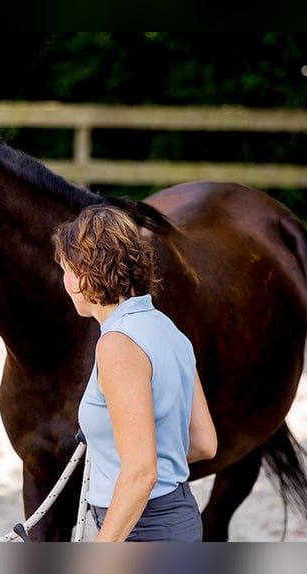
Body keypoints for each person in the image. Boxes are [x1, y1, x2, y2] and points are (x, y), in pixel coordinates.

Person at [52, 204, 218, 542]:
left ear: (89, 272)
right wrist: (125, 452)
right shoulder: (169, 329)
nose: (64, 280)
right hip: (178, 518)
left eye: (67, 268)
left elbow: (141, 472)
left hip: (142, 530)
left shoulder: (118, 345)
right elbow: (204, 443)